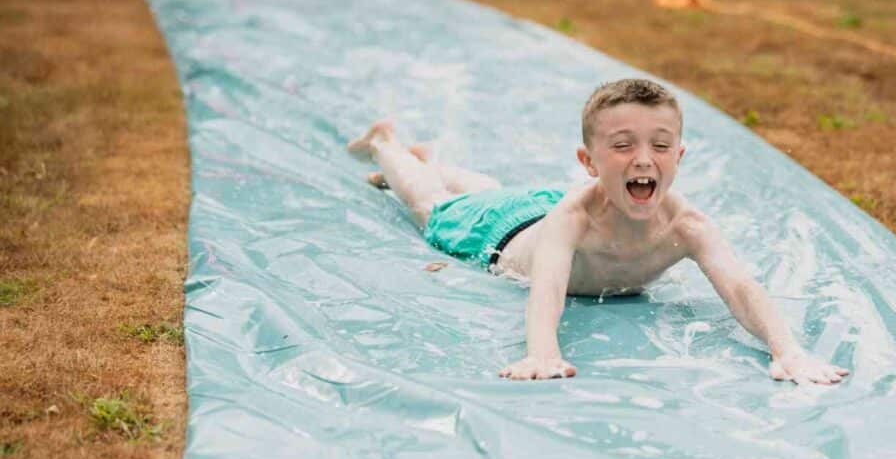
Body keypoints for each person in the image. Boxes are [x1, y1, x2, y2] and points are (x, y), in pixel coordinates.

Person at [347, 78, 850, 385]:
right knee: (431, 208)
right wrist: (543, 353)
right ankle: (386, 145)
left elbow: (741, 288)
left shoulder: (687, 225)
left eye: (659, 145)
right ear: (589, 162)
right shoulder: (575, 218)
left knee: (493, 189)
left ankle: (433, 161)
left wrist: (787, 350)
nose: (643, 159)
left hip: (537, 203)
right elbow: (546, 290)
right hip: (503, 232)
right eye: (623, 145)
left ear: (679, 156)